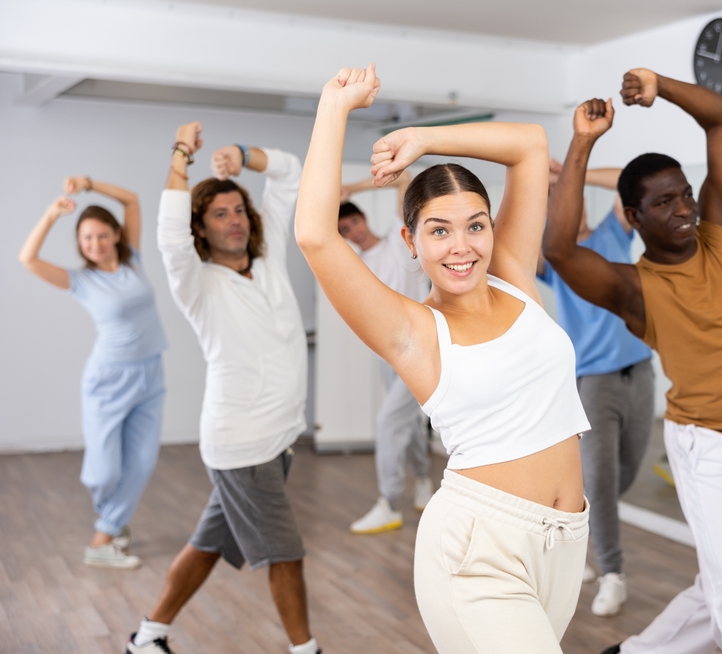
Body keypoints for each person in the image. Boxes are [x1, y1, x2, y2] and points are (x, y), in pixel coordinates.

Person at [296, 64, 590, 654]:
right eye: (438, 231)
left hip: (565, 540)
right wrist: (334, 107)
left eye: (474, 226)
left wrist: (427, 138)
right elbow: (315, 236)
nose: (462, 247)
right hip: (477, 548)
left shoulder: (512, 280)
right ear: (410, 241)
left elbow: (530, 146)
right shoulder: (413, 331)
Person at [544, 71, 722, 654]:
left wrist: (660, 85)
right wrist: (583, 141)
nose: (683, 208)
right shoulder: (634, 289)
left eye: (684, 193)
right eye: (664, 202)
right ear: (634, 217)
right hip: (711, 450)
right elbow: (559, 249)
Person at [126, 125, 320, 654]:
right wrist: (182, 155)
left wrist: (242, 155)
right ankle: (306, 649)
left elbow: (289, 173)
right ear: (201, 227)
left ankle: (149, 636)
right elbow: (168, 237)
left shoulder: (269, 261)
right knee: (286, 552)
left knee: (208, 544)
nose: (233, 221)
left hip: (276, 441)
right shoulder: (198, 283)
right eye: (219, 214)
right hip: (243, 444)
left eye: (239, 210)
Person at [19, 177, 167, 570]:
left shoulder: (133, 258)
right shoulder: (80, 280)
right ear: (79, 243)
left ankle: (103, 537)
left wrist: (89, 184)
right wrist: (52, 214)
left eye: (102, 235)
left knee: (142, 463)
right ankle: (113, 520)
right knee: (103, 471)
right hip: (107, 380)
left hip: (151, 373)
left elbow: (132, 198)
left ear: (116, 235)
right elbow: (28, 259)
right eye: (87, 238)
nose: (95, 244)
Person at [540, 159, 654, 617]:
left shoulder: (613, 232)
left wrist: (573, 170)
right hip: (593, 384)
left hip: (641, 374)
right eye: (555, 200)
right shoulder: (554, 257)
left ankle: (573, 540)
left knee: (621, 476)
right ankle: (613, 573)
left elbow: (633, 179)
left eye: (572, 195)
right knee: (602, 484)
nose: (570, 204)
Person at [338, 172, 434, 534]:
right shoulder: (356, 266)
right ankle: (424, 480)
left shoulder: (400, 238)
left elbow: (405, 178)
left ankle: (388, 502)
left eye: (355, 221)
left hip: (418, 348)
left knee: (389, 422)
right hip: (387, 353)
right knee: (406, 424)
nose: (354, 230)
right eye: (345, 229)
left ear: (363, 217)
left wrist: (352, 187)